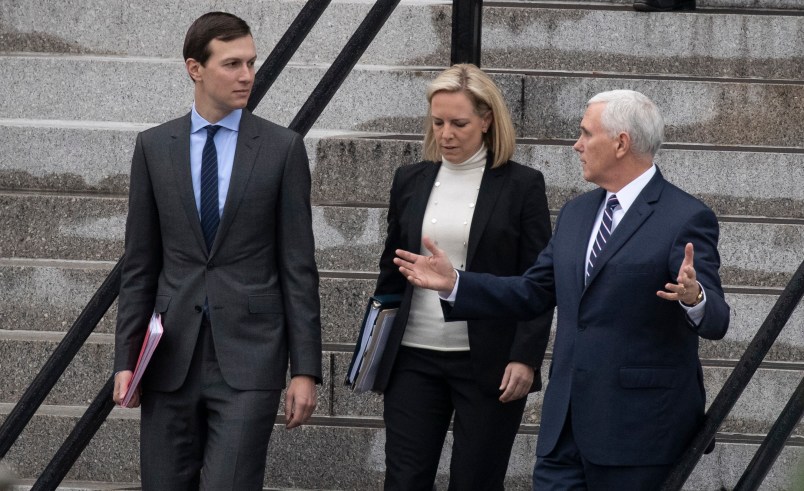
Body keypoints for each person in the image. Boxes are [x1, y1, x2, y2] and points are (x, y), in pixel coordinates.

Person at [393, 90, 730, 490]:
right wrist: (457, 284)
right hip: (564, 430)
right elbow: (532, 291)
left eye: (586, 134)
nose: (577, 145)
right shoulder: (576, 213)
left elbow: (717, 320)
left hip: (636, 433)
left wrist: (694, 297)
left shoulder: (685, 216)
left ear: (621, 143)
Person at [112, 12, 321, 490]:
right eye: (232, 64)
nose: (247, 75)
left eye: (251, 62)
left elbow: (298, 267)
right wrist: (126, 359)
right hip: (169, 358)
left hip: (250, 358)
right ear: (195, 68)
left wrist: (305, 370)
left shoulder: (282, 149)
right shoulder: (153, 147)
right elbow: (140, 264)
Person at [372, 64, 554, 490]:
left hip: (488, 362)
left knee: (476, 480)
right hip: (412, 359)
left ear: (487, 121)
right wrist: (374, 347)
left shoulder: (523, 185)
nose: (446, 134)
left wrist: (525, 356)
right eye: (438, 123)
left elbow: (540, 282)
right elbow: (390, 269)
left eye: (459, 123)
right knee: (404, 479)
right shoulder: (409, 180)